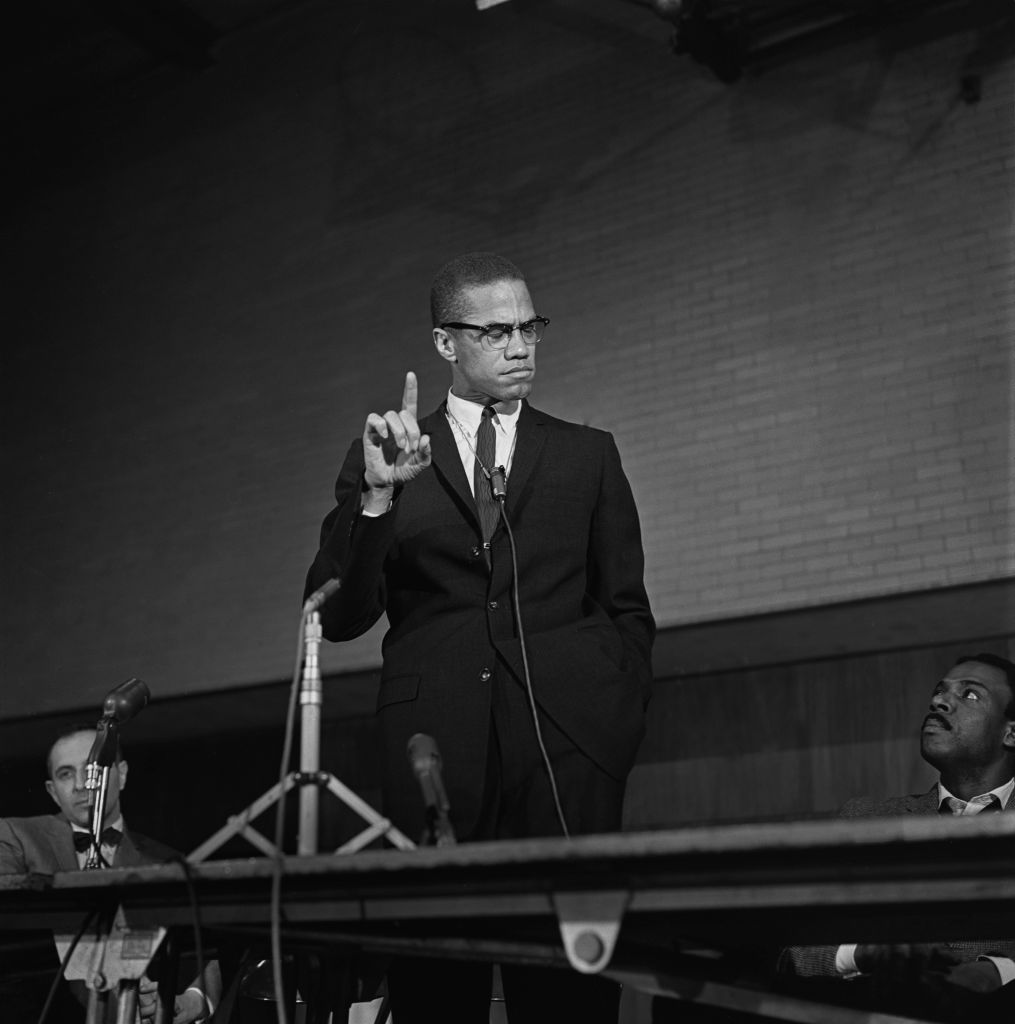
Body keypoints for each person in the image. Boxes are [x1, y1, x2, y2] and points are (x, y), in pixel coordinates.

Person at [305, 251, 655, 1022]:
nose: (520, 346)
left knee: (567, 990)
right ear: (444, 344)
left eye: (530, 327)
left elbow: (626, 606)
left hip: (570, 749)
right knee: (439, 984)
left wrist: (610, 721)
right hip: (434, 750)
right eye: (496, 331)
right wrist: (376, 500)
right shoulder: (387, 457)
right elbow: (336, 616)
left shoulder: (586, 455)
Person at [779, 652, 1015, 996]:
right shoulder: (864, 820)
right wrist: (862, 955)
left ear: (1011, 734)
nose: (938, 701)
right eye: (939, 691)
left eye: (970, 695)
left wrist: (999, 971)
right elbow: (790, 950)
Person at [0, 725, 220, 1023]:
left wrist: (193, 1000)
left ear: (123, 774)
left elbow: (210, 954)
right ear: (52, 791)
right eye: (66, 774)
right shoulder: (15, 836)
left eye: (93, 770)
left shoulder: (166, 861)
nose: (80, 784)